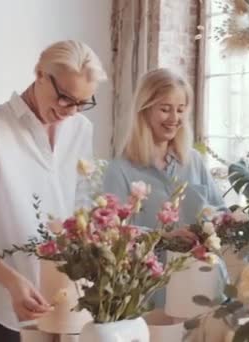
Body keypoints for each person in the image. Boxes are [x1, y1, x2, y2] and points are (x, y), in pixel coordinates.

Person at [0, 40, 107, 341]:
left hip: (67, 307)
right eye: (64, 98)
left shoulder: (80, 129)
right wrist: (12, 282)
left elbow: (83, 212)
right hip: (1, 308)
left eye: (82, 102)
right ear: (39, 73)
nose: (70, 111)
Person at [103, 68, 228, 319]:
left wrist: (217, 223)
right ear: (144, 109)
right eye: (165, 108)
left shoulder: (193, 160)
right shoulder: (120, 171)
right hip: (152, 294)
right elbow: (112, 235)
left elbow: (220, 211)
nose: (174, 118)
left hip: (205, 283)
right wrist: (162, 237)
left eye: (181, 109)